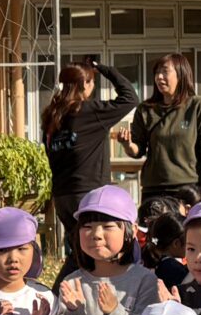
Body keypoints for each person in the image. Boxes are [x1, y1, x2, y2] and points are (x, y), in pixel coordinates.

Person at [51, 185, 159, 315]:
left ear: (131, 231)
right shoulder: (72, 282)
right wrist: (74, 312)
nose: (96, 234)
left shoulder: (145, 281)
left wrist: (114, 312)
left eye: (107, 226)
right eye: (87, 226)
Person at [40, 59, 140, 227]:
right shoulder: (90, 111)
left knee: (76, 241)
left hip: (62, 196)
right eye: (92, 81)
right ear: (84, 84)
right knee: (93, 242)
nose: (93, 86)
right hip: (89, 194)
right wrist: (105, 69)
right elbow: (130, 98)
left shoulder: (52, 114)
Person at [122, 53, 201, 210]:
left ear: (181, 74)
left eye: (165, 72)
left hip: (189, 188)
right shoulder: (145, 109)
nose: (159, 77)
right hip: (153, 189)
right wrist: (127, 144)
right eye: (157, 73)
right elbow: (138, 150)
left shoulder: (198, 106)